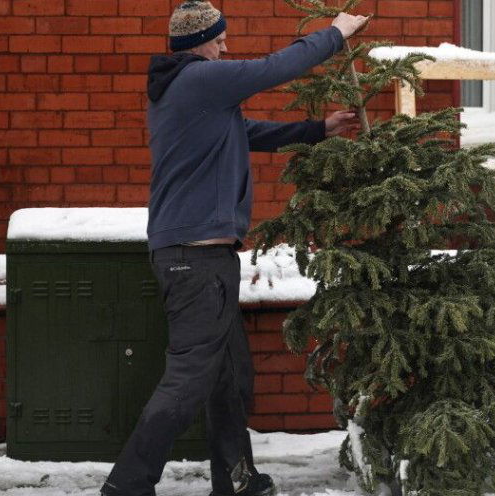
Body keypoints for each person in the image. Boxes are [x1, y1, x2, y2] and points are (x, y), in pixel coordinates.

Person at [100, 2, 366, 495]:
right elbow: (273, 68)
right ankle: (127, 486)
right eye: (218, 39)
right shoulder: (199, 78)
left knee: (225, 377)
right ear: (196, 43)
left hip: (200, 254)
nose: (226, 47)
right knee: (188, 381)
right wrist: (335, 33)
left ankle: (236, 480)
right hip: (193, 256)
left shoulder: (187, 92)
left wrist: (316, 131)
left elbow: (247, 134)